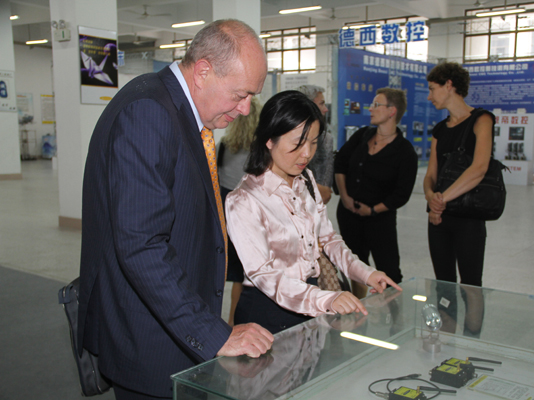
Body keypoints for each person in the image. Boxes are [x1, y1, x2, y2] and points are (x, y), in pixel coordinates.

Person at [78, 20, 274, 400]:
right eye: (240, 94)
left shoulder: (175, 109)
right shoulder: (149, 112)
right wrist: (214, 334)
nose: (245, 108)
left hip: (173, 329)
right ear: (202, 71)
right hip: (151, 343)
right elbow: (141, 246)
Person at [225, 90, 402, 335]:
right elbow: (263, 274)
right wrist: (325, 299)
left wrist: (365, 273)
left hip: (311, 299)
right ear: (269, 140)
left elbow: (328, 239)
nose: (307, 153)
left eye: (314, 142)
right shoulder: (244, 200)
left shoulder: (305, 179)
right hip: (268, 312)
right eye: (298, 143)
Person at [334, 88, 418, 299]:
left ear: (392, 111)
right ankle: (358, 308)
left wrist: (372, 210)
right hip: (348, 215)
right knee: (354, 265)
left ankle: (395, 314)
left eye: (376, 105)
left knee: (389, 270)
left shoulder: (405, 151)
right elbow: (340, 163)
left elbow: (401, 194)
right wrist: (345, 197)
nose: (370, 109)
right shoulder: (362, 135)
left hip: (380, 221)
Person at [423, 62, 495, 287]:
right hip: (439, 218)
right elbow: (431, 175)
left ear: (449, 85)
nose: (429, 96)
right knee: (443, 283)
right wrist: (430, 197)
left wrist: (439, 201)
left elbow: (479, 168)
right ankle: (446, 314)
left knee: (471, 284)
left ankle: (471, 315)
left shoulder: (482, 120)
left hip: (468, 217)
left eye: (432, 89)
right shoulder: (440, 129)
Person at [217, 96, 262, 326]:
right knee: (244, 274)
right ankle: (236, 321)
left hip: (224, 213)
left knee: (224, 270)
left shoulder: (223, 146)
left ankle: (221, 322)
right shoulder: (262, 151)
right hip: (250, 215)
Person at [296, 84, 334, 204]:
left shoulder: (326, 139)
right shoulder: (284, 136)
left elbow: (325, 192)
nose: (326, 109)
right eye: (321, 103)